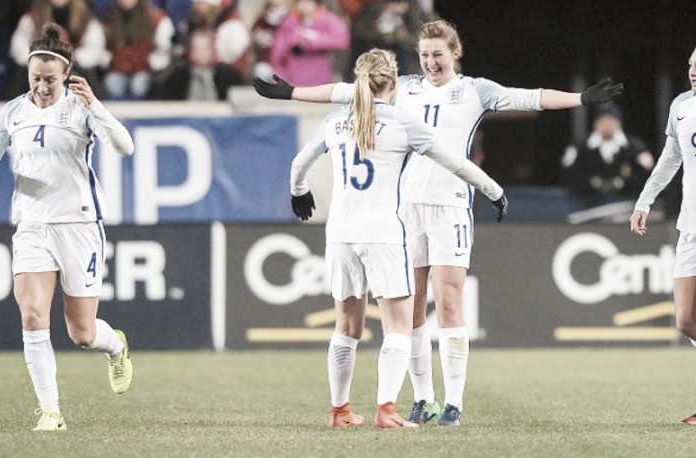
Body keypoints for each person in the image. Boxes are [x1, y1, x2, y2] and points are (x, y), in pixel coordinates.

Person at [254, 19, 624, 427]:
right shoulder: (404, 87)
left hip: (449, 205)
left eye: (438, 55)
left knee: (447, 302)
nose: (430, 62)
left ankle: (453, 404)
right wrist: (289, 92)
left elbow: (530, 98)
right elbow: (344, 91)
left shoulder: (474, 90)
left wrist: (581, 99)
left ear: (455, 53)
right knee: (410, 310)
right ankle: (422, 399)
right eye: (425, 54)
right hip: (405, 208)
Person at [290, 47, 507, 429]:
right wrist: (493, 191)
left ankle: (339, 411)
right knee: (398, 325)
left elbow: (298, 164)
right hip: (384, 233)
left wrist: (299, 191)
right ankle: (386, 410)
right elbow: (455, 162)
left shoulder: (336, 121)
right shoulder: (402, 123)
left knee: (346, 327)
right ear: (393, 83)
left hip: (339, 233)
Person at [0, 23, 134, 431]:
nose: (41, 86)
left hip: (78, 224)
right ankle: (51, 412)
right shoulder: (14, 112)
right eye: (35, 78)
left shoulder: (80, 108)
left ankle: (116, 346)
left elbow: (125, 146)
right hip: (32, 225)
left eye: (50, 79)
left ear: (67, 73)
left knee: (82, 333)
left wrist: (96, 105)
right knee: (33, 314)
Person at [629, 46, 696, 425]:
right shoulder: (682, 106)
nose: (693, 71)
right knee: (686, 319)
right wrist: (644, 200)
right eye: (689, 65)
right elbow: (670, 158)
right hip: (691, 226)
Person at [7, 0, 109, 99]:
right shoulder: (34, 16)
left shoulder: (85, 17)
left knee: (86, 75)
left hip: (74, 66)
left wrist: (71, 58)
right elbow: (18, 45)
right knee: (24, 74)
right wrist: (37, 58)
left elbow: (95, 48)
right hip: (41, 64)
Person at [561, 102, 654, 209]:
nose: (607, 126)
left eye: (611, 121)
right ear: (595, 124)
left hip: (626, 203)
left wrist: (622, 183)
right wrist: (593, 183)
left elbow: (646, 171)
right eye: (603, 121)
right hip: (587, 204)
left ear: (619, 123)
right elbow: (569, 172)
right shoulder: (580, 147)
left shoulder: (634, 146)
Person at [101, 0, 174, 100]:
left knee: (139, 85)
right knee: (112, 83)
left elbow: (163, 49)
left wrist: (152, 63)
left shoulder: (155, 18)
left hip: (144, 71)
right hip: (117, 70)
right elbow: (101, 47)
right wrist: (108, 61)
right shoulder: (109, 18)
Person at [269, 0, 350, 86]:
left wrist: (314, 41)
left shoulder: (326, 19)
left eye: (308, 2)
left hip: (318, 78)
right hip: (294, 77)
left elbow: (342, 40)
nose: (304, 6)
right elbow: (278, 53)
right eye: (301, 2)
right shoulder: (290, 21)